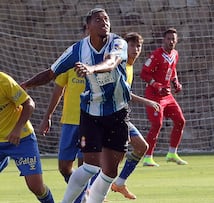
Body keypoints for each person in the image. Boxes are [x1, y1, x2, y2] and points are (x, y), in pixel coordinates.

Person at [21, 8, 130, 203]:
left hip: (118, 112)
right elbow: (51, 73)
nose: (104, 22)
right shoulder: (77, 50)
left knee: (111, 170)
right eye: (98, 19)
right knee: (90, 166)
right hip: (91, 113)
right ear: (88, 26)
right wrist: (26, 85)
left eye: (106, 19)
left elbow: (111, 63)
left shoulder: (118, 42)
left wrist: (91, 69)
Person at [110, 32, 161, 199]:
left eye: (138, 46)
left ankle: (119, 183)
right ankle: (95, 190)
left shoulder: (130, 67)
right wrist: (148, 102)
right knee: (114, 156)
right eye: (132, 45)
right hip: (110, 116)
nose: (135, 49)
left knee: (141, 147)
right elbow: (125, 94)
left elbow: (126, 93)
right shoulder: (121, 65)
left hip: (122, 117)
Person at [0, 72, 55, 203]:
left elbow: (29, 103)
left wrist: (17, 128)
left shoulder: (4, 81)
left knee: (36, 187)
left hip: (21, 138)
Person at [140, 27, 187, 167]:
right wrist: (156, 85)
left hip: (167, 96)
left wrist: (176, 82)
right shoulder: (156, 55)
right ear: (163, 40)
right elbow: (144, 73)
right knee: (157, 124)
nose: (171, 41)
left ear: (176, 40)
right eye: (168, 39)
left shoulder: (175, 54)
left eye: (173, 39)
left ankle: (172, 153)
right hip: (154, 96)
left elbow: (172, 70)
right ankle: (148, 157)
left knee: (180, 121)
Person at [38, 70, 86, 203]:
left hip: (90, 123)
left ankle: (80, 199)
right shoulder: (69, 62)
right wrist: (48, 116)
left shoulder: (98, 61)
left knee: (85, 167)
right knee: (64, 167)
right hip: (69, 123)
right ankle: (83, 193)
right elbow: (58, 90)